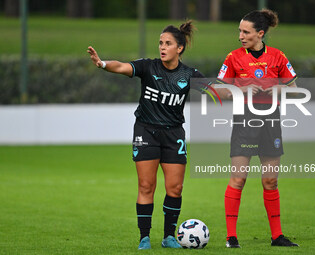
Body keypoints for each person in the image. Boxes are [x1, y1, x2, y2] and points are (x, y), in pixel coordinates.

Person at [87, 20, 205, 250]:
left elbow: (215, 90)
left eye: (167, 43)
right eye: (160, 43)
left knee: (175, 188)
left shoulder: (189, 74)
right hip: (146, 131)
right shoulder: (148, 67)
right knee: (146, 185)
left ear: (179, 48)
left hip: (174, 134)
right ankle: (144, 237)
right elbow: (121, 67)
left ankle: (169, 236)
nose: (162, 47)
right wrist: (102, 64)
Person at [216, 9, 299, 248]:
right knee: (238, 179)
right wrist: (240, 90)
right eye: (239, 31)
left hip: (271, 123)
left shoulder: (277, 56)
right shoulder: (233, 57)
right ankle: (231, 237)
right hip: (244, 122)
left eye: (246, 31)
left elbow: (294, 88)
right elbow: (218, 90)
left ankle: (277, 237)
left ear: (260, 33)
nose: (241, 36)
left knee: (270, 181)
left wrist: (276, 90)